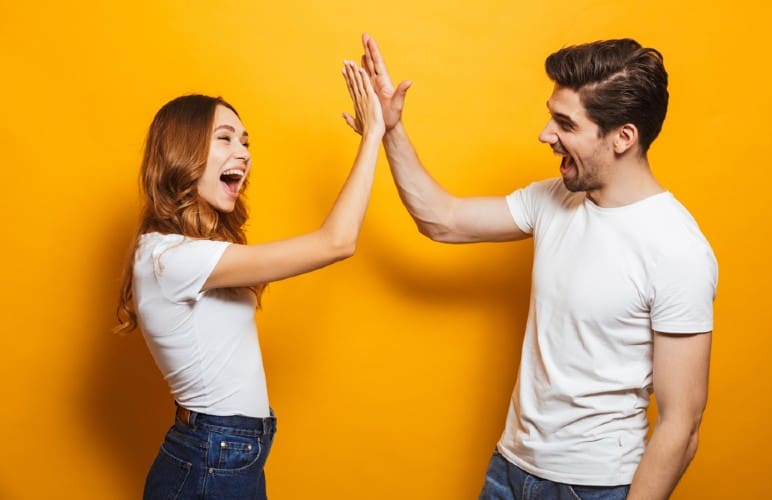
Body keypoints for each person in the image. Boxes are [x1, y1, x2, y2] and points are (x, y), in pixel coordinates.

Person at [352, 34, 718, 499]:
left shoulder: (676, 248)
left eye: (565, 123)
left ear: (623, 137)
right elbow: (441, 220)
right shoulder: (556, 198)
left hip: (591, 487)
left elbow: (681, 425)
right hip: (509, 470)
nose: (545, 134)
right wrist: (392, 129)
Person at [113, 60, 383, 499]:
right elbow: (337, 242)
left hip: (226, 457)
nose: (244, 152)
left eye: (245, 141)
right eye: (224, 139)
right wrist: (373, 135)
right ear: (182, 151)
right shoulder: (170, 259)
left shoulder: (181, 253)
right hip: (210, 462)